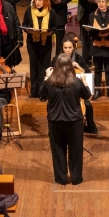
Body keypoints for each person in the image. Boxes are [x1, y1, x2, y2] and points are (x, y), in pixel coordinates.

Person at [41, 53, 91, 185]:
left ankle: (61, 178)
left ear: (56, 67)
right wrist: (85, 82)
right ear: (70, 66)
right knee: (76, 150)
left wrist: (46, 77)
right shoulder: (76, 82)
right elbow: (87, 96)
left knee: (57, 150)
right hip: (74, 122)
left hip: (55, 122)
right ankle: (76, 178)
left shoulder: (50, 82)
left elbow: (41, 96)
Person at [51, 35, 98, 134]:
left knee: (88, 104)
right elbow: (50, 73)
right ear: (62, 48)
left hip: (74, 90)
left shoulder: (79, 58)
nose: (67, 50)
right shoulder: (56, 59)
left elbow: (88, 73)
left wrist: (80, 67)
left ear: (73, 48)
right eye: (65, 48)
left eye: (70, 48)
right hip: (60, 90)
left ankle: (91, 126)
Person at [23, 0, 57, 98]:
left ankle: (43, 92)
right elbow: (24, 25)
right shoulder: (29, 11)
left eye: (40, 0)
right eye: (36, 0)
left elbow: (54, 28)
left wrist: (48, 32)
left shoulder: (51, 12)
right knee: (34, 66)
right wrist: (29, 30)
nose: (38, 2)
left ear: (46, 1)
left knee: (44, 67)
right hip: (32, 42)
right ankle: (34, 92)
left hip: (45, 43)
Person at [87, 0, 109, 100]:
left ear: (107, 3)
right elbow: (90, 31)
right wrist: (99, 34)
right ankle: (97, 91)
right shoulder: (92, 15)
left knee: (108, 69)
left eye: (103, 2)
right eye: (99, 2)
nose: (101, 4)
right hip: (97, 46)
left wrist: (108, 35)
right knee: (97, 69)